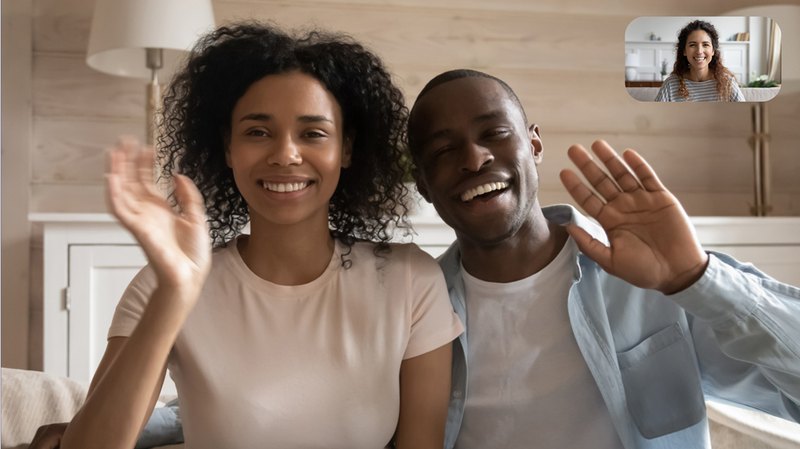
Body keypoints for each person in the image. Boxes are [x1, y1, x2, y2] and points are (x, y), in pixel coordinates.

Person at [33, 23, 463, 449]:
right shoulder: (162, 286)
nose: (285, 154)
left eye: (313, 133)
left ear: (346, 148)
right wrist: (175, 292)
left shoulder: (409, 281)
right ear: (227, 147)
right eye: (258, 132)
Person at [407, 69, 798, 448]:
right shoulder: (413, 310)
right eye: (444, 150)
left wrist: (698, 279)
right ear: (422, 183)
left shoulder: (653, 278)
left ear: (535, 145)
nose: (475, 159)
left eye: (495, 133)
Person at [655, 20, 745, 102]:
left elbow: (745, 115)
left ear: (713, 51)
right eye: (692, 45)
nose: (699, 51)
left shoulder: (727, 83)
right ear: (684, 51)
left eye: (705, 45)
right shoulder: (670, 85)